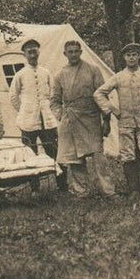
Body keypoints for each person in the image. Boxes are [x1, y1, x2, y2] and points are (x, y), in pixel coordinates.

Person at [94, 43, 140, 194]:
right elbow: (98, 94)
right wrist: (113, 109)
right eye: (128, 55)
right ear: (124, 57)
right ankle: (133, 188)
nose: (131, 58)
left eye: (134, 55)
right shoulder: (119, 77)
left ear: (139, 56)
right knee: (127, 155)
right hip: (125, 121)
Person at [50, 38, 114, 197]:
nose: (73, 54)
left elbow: (102, 95)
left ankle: (108, 190)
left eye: (76, 51)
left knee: (98, 156)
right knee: (73, 158)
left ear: (81, 52)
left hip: (91, 117)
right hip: (70, 119)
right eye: (70, 52)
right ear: (65, 54)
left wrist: (106, 120)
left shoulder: (93, 70)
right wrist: (61, 115)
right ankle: (81, 191)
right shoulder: (59, 75)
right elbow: (54, 101)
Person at [9, 37, 65, 193]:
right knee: (30, 154)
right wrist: (24, 110)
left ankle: (62, 185)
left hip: (47, 120)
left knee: (54, 151)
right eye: (29, 52)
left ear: (39, 52)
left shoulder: (45, 73)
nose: (32, 55)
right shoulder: (20, 75)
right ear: (25, 55)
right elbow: (13, 96)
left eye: (35, 51)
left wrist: (50, 111)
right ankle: (35, 188)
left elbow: (54, 94)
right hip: (28, 122)